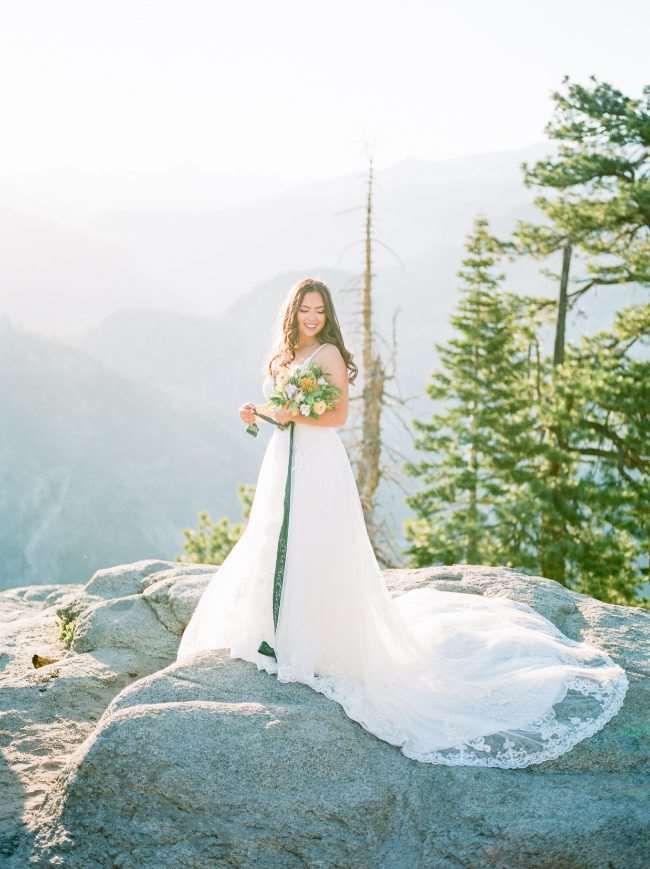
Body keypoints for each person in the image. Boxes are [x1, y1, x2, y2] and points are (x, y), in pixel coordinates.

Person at [176, 277, 629, 768]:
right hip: (282, 459)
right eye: (305, 309)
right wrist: (261, 413)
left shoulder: (327, 354)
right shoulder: (284, 356)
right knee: (277, 541)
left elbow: (335, 418)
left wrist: (281, 410)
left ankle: (313, 643)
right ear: (292, 313)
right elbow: (288, 414)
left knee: (314, 545)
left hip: (316, 463)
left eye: (319, 311)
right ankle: (278, 633)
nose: (312, 318)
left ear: (327, 316)